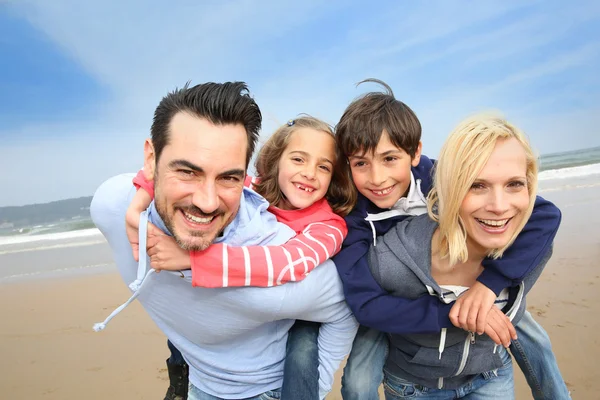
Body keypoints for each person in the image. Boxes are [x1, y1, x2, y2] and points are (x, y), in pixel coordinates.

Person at [286, 80, 568, 399]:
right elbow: (366, 303)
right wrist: (450, 310)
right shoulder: (354, 220)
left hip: (464, 281)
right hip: (399, 296)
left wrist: (488, 286)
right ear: (347, 164)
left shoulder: (440, 177)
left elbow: (542, 213)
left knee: (531, 336)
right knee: (359, 380)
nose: (377, 178)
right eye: (361, 163)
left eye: (390, 159)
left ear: (416, 152)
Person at [90, 82, 358, 400]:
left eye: (323, 167)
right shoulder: (255, 190)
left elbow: (292, 262)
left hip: (274, 355)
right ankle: (180, 372)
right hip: (204, 372)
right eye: (188, 171)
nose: (207, 201)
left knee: (302, 348)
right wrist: (140, 198)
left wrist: (193, 261)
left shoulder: (326, 226)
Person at [366, 113, 555, 398]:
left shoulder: (533, 248)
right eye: (476, 185)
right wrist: (451, 314)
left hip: (491, 373)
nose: (499, 207)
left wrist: (489, 285)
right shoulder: (393, 261)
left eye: (514, 184)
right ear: (449, 187)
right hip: (416, 387)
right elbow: (367, 310)